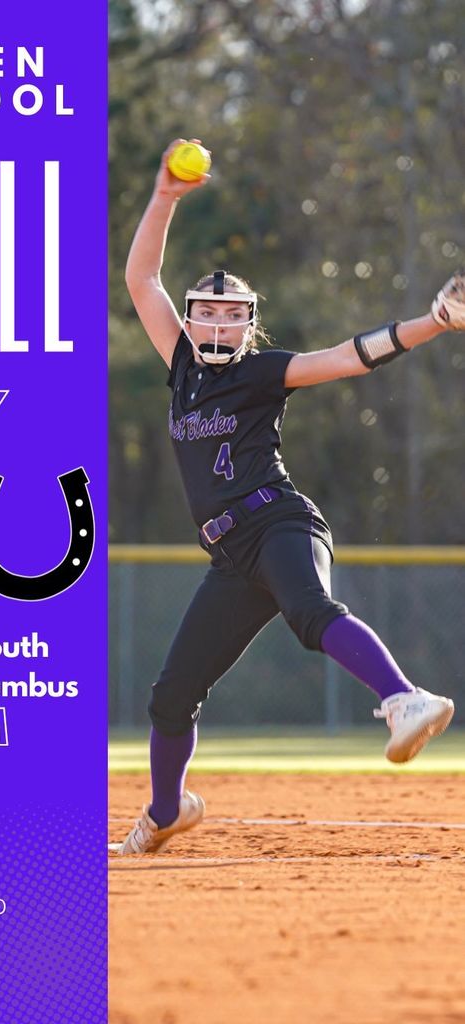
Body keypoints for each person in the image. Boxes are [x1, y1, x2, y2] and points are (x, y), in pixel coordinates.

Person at [117, 138, 464, 857]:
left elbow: (345, 358)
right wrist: (164, 198)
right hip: (230, 558)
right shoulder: (181, 367)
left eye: (229, 316)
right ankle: (164, 810)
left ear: (249, 325)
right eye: (205, 314)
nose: (215, 325)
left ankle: (404, 698)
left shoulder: (261, 373)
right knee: (170, 695)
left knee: (310, 614)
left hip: (278, 522)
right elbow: (141, 278)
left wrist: (433, 321)